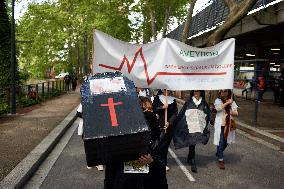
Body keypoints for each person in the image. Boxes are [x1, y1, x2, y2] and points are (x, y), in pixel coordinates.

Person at [104, 97, 167, 189]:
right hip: (124, 183)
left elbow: (162, 165)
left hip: (147, 182)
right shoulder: (120, 136)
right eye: (143, 110)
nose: (147, 112)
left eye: (150, 109)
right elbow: (111, 171)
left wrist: (152, 161)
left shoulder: (156, 140)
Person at [173, 90, 210, 173]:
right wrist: (176, 121)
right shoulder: (189, 102)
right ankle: (192, 160)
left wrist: (210, 120)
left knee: (194, 142)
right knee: (192, 142)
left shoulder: (204, 103)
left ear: (201, 92)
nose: (196, 93)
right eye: (195, 91)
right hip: (190, 126)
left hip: (199, 126)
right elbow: (182, 113)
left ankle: (190, 157)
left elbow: (207, 113)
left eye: (198, 91)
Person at [152, 89, 178, 171]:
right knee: (157, 145)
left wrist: (169, 122)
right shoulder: (158, 98)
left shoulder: (173, 100)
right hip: (158, 125)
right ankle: (154, 162)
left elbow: (175, 113)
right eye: (164, 89)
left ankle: (163, 164)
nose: (166, 91)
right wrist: (162, 107)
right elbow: (154, 109)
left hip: (168, 126)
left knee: (165, 147)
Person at [213, 89, 238, 169]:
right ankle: (221, 160)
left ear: (228, 92)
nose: (223, 93)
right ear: (220, 92)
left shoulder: (232, 101)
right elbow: (218, 109)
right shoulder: (218, 100)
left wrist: (230, 110)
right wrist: (227, 103)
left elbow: (236, 113)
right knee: (220, 141)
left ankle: (218, 152)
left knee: (226, 142)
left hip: (228, 125)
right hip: (220, 124)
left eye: (225, 91)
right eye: (222, 91)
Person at [76, 103, 104, 171]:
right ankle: (91, 162)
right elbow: (78, 113)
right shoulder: (84, 101)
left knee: (98, 144)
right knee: (88, 145)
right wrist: (88, 116)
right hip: (86, 127)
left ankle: (99, 163)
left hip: (97, 127)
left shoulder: (99, 100)